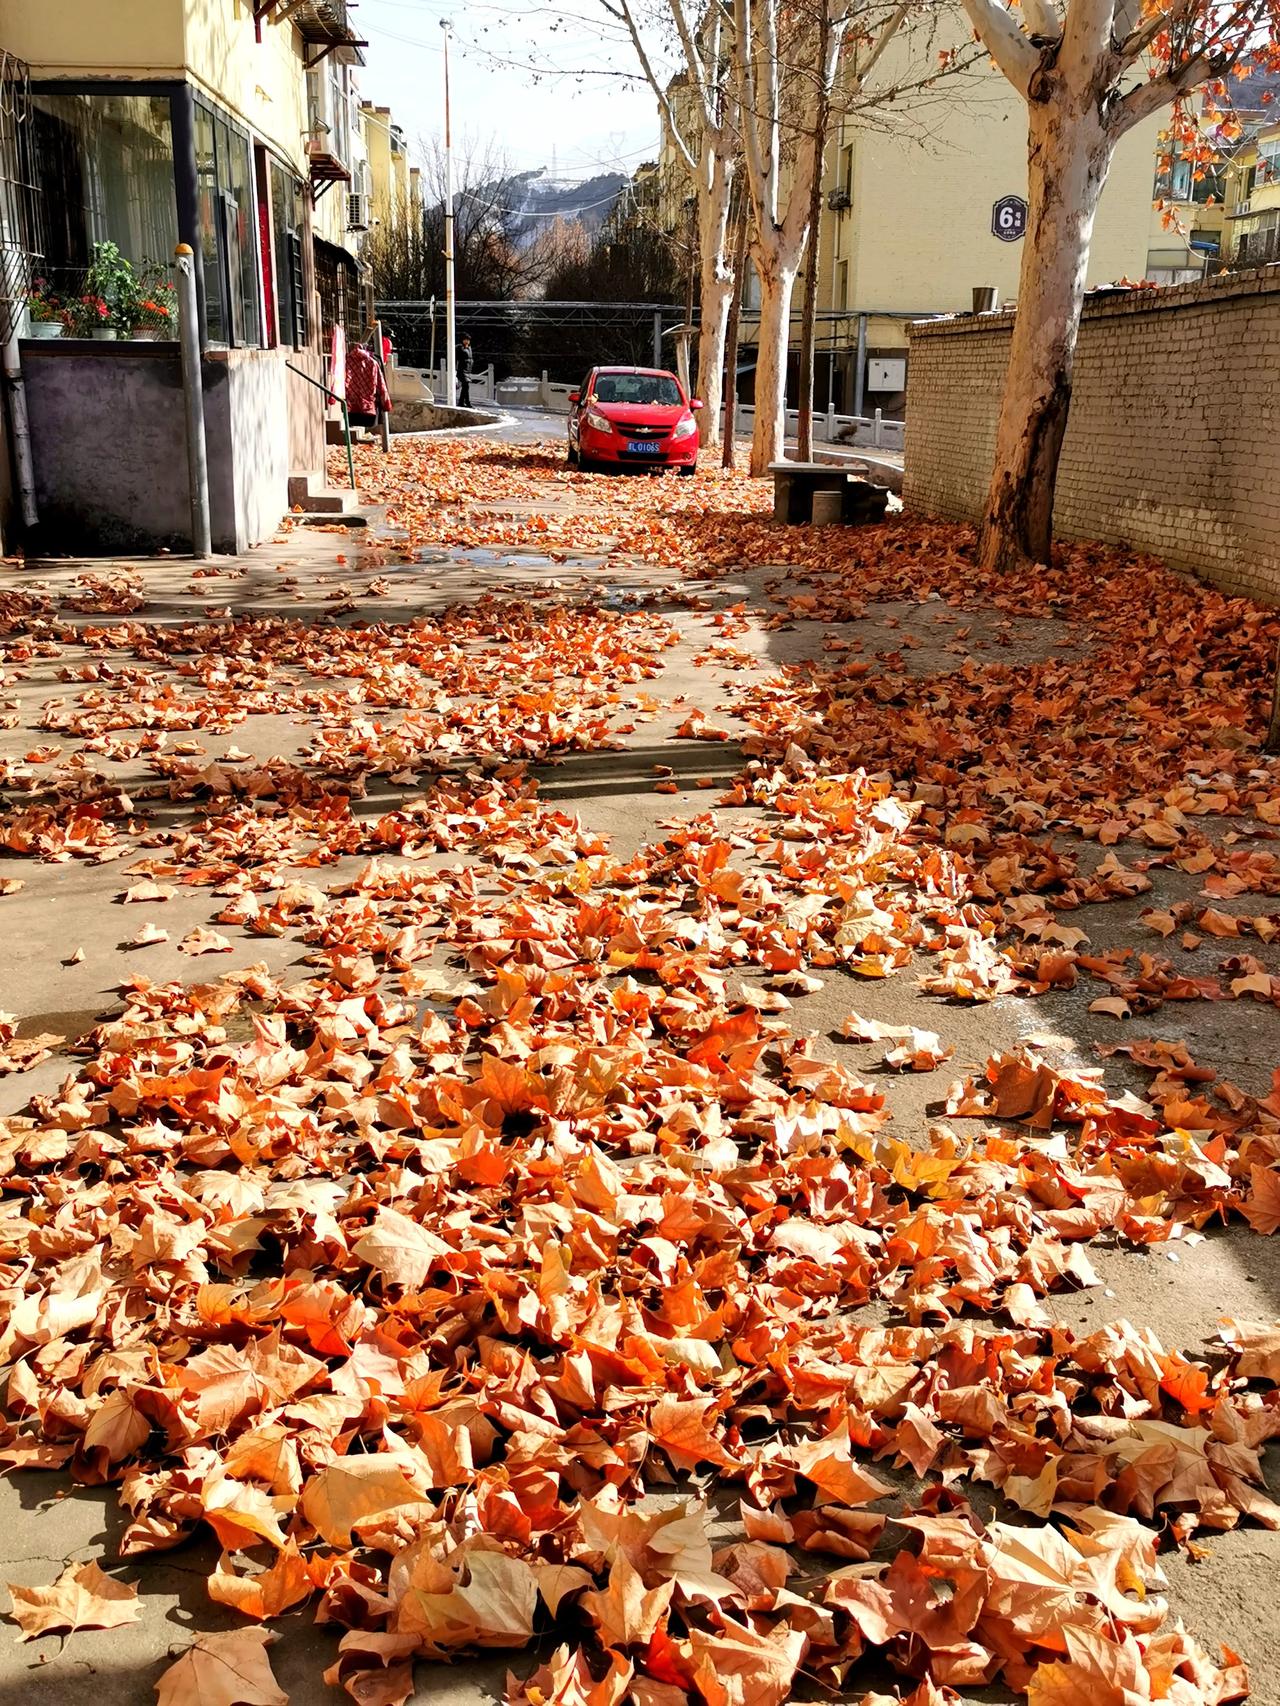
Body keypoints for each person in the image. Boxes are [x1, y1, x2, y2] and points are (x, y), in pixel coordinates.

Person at [458, 334, 474, 407]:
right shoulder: (460, 347)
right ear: (462, 340)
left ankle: (461, 402)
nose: (467, 341)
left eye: (468, 340)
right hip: (461, 370)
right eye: (465, 340)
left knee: (465, 386)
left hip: (467, 370)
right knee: (466, 386)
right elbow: (457, 358)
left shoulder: (469, 348)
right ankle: (467, 402)